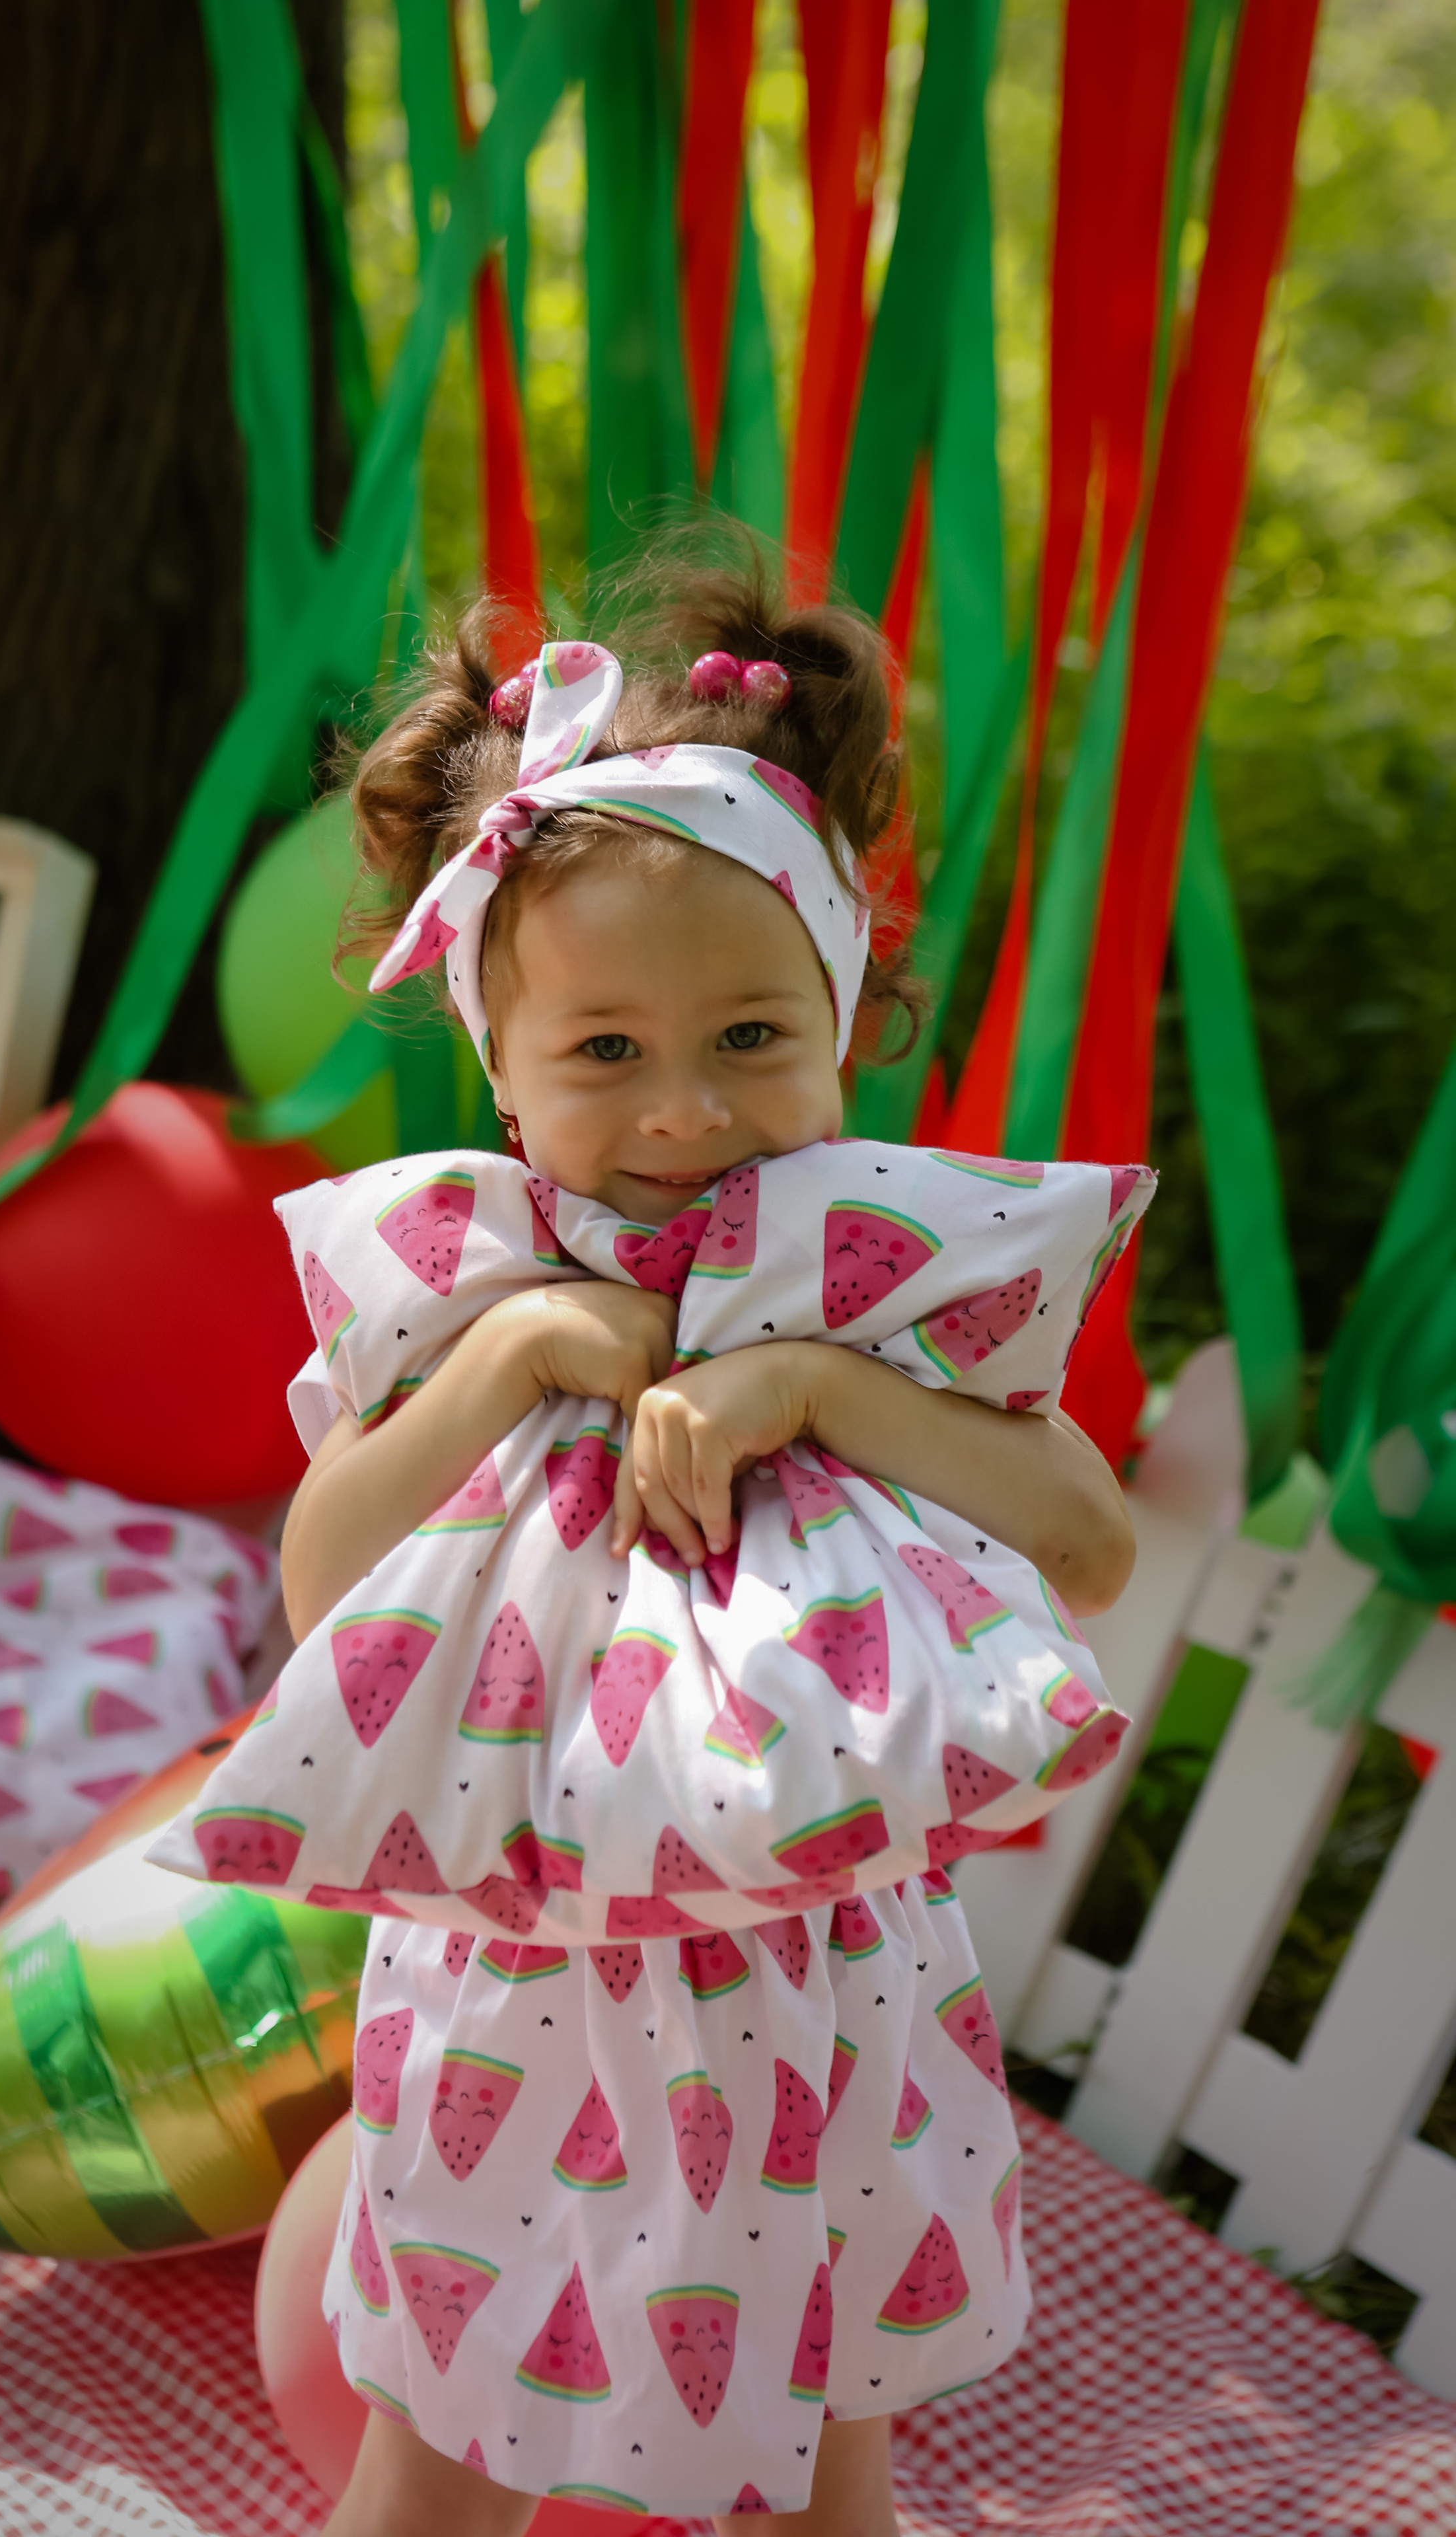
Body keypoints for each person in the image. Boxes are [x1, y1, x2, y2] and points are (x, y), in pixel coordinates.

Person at [272, 555, 1136, 2535]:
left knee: (826, 2445)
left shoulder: (878, 1282)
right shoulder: (483, 1282)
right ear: (505, 1064)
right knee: (442, 2444)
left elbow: (1084, 1544)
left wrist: (822, 1391)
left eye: (753, 1036)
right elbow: (326, 1597)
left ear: (843, 1011)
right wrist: (507, 1371)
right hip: (523, 1963)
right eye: (604, 1053)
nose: (685, 1113)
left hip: (820, 1977)